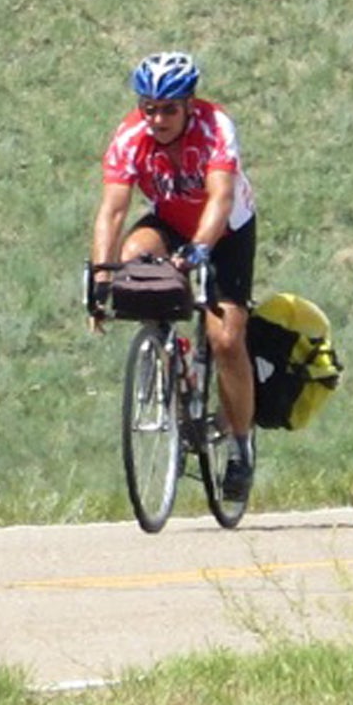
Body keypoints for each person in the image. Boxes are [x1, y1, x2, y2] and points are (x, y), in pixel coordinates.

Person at [87, 51, 261, 501]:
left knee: (225, 341)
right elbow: (114, 209)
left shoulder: (215, 126)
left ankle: (241, 449)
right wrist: (101, 279)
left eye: (168, 109)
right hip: (170, 221)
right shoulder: (130, 136)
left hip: (226, 230)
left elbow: (220, 198)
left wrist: (201, 249)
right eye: (149, 108)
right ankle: (165, 345)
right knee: (132, 257)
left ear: (189, 105)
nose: (158, 119)